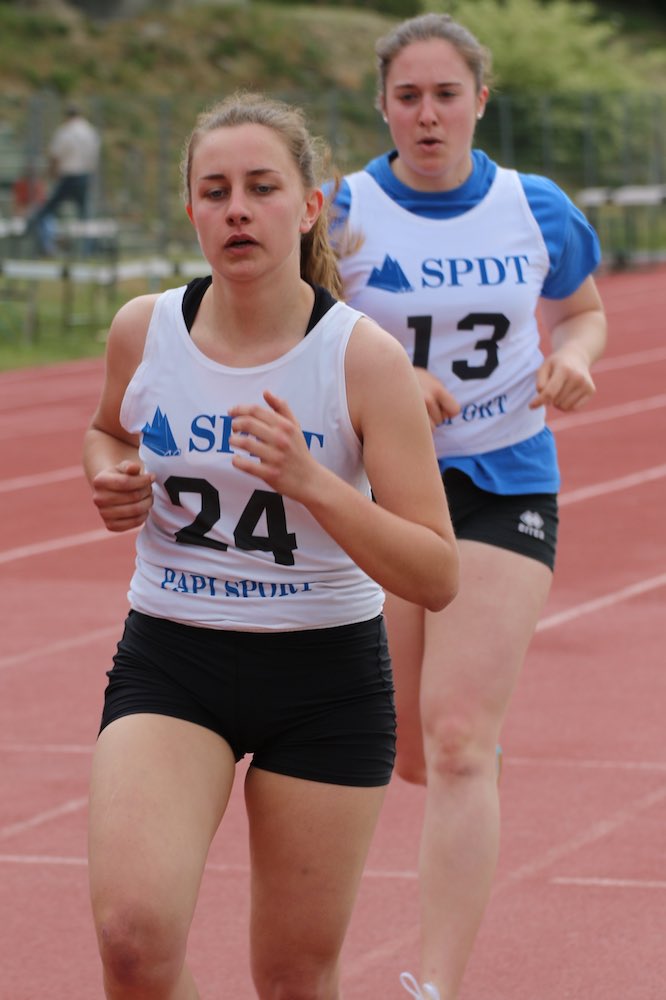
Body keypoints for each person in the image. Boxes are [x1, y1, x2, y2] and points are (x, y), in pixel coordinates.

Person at [82, 91, 459, 1000]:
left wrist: (313, 481)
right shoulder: (145, 328)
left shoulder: (361, 358)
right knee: (132, 942)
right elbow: (107, 429)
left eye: (262, 187)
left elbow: (437, 572)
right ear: (191, 211)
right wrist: (111, 475)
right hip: (173, 657)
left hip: (324, 677)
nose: (238, 210)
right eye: (215, 192)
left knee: (293, 978)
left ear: (310, 204)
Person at [329, 13, 607, 1000]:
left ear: (480, 101)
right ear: (383, 105)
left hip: (503, 478)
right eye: (408, 96)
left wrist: (573, 356)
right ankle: (466, 748)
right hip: (383, 491)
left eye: (447, 95)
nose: (428, 115)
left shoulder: (536, 206)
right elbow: (294, 324)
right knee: (408, 749)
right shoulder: (344, 210)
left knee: (454, 738)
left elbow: (583, 309)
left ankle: (435, 985)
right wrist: (388, 374)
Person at [27, 103, 100, 255]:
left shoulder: (66, 131)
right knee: (84, 214)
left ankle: (44, 244)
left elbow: (55, 156)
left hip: (69, 176)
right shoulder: (90, 131)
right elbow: (94, 157)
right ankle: (88, 249)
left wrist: (50, 174)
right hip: (85, 176)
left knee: (47, 210)